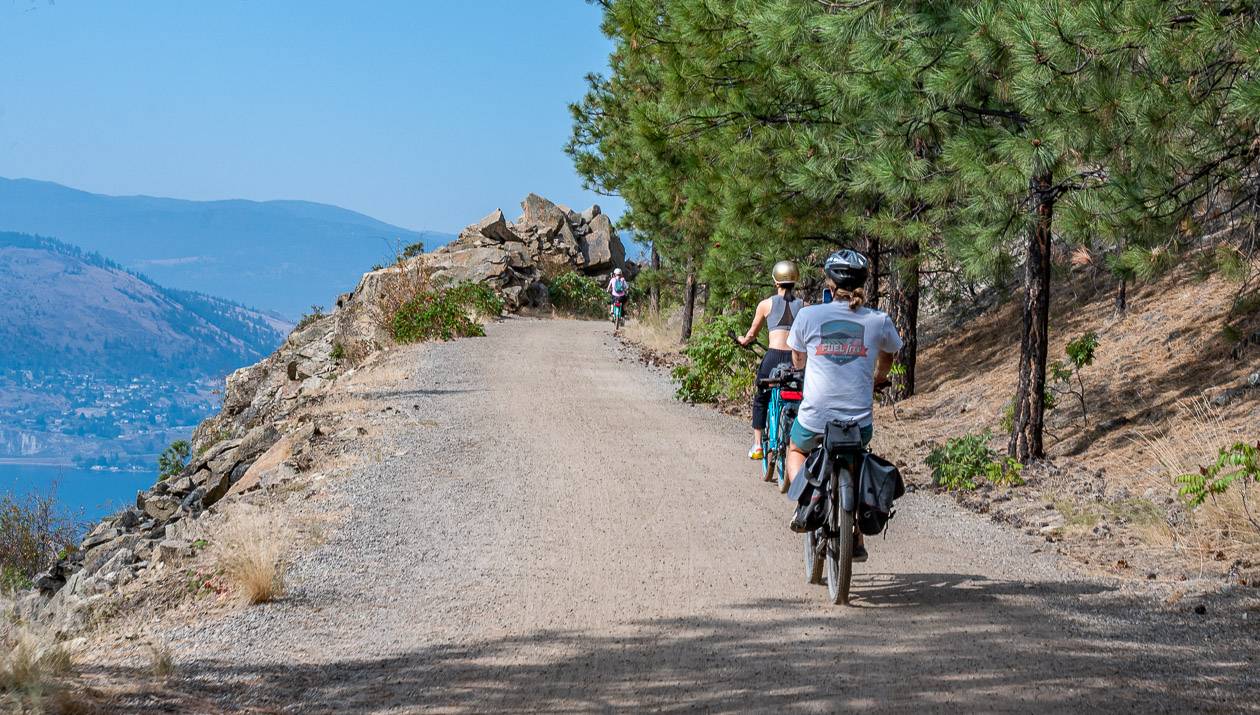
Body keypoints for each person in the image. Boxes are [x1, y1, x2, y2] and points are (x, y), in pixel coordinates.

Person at [784, 249, 902, 562]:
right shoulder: (878, 320)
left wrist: (806, 369)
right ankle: (857, 536)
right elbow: (889, 355)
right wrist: (878, 378)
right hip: (858, 424)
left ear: (830, 283)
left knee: (795, 450)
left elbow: (797, 357)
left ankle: (809, 498)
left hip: (815, 417)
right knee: (857, 459)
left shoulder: (809, 315)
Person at [737, 260, 803, 463]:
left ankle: (757, 445)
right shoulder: (804, 306)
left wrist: (743, 340)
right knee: (801, 398)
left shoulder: (765, 304)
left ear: (776, 281)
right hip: (796, 359)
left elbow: (751, 334)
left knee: (761, 397)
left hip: (773, 356)